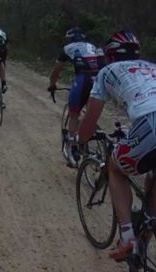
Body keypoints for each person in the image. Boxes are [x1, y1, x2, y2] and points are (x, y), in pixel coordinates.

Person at [76, 30, 156, 260]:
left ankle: (128, 238)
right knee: (155, 186)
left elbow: (90, 121)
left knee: (115, 168)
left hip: (152, 125)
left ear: (109, 56)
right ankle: (143, 246)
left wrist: (79, 141)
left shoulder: (107, 71)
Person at [48, 27, 105, 168]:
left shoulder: (68, 48)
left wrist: (52, 84)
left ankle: (74, 149)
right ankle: (97, 140)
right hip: (100, 81)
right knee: (90, 114)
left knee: (74, 114)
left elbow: (56, 70)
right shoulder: (93, 46)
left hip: (83, 80)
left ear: (70, 38)